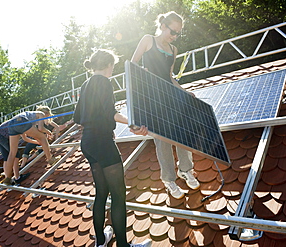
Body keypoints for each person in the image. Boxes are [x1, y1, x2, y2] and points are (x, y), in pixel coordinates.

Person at [74, 49, 151, 247]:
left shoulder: (86, 84)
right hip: (102, 142)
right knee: (118, 195)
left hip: (88, 142)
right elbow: (109, 112)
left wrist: (98, 124)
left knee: (101, 192)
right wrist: (132, 123)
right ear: (108, 65)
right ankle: (124, 246)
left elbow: (76, 118)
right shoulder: (104, 82)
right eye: (113, 66)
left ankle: (101, 242)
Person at [131, 11, 200, 199]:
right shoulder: (148, 40)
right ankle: (169, 179)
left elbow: (170, 77)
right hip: (152, 99)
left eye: (178, 33)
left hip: (170, 97)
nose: (175, 36)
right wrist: (141, 74)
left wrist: (184, 92)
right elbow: (132, 65)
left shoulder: (174, 50)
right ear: (162, 25)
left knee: (182, 134)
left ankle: (185, 170)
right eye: (173, 31)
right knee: (163, 140)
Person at [4, 105, 60, 185]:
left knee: (12, 153)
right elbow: (40, 129)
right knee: (43, 137)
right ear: (46, 113)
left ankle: (7, 178)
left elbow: (27, 136)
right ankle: (50, 159)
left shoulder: (31, 117)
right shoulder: (40, 113)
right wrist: (48, 132)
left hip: (12, 124)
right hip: (20, 121)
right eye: (48, 116)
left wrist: (39, 141)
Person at [0, 120, 32, 185]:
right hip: (2, 136)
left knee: (6, 157)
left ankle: (7, 179)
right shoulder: (22, 122)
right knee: (15, 154)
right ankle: (17, 178)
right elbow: (25, 138)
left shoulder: (17, 120)